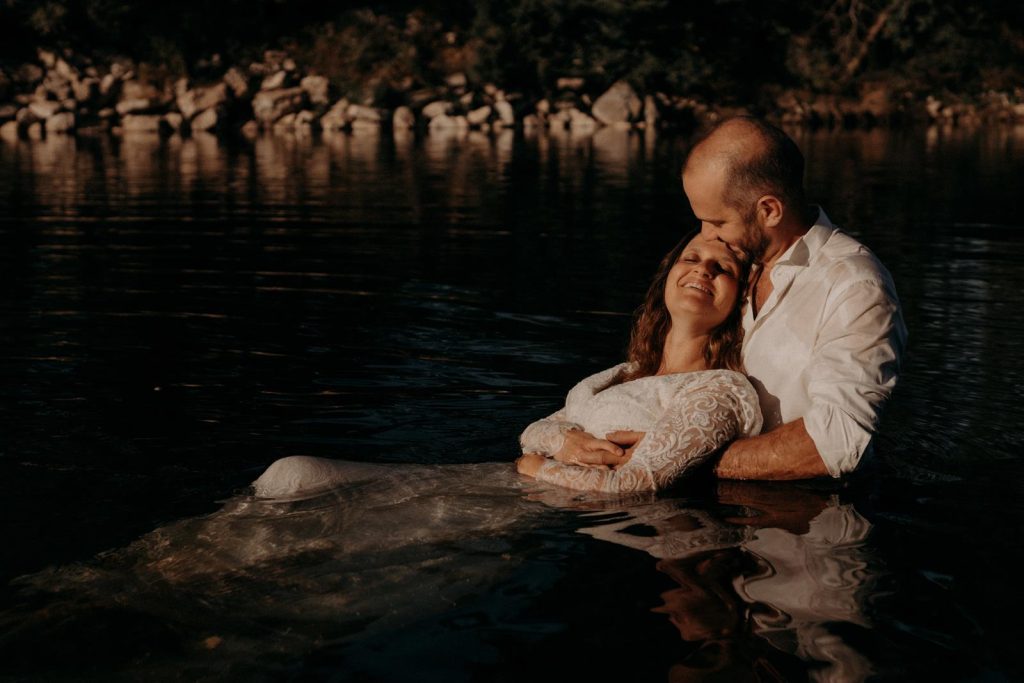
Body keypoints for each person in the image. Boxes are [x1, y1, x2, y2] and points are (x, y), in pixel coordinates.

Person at [570, 117, 907, 480]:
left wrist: (677, 454)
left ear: (769, 211)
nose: (706, 235)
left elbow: (836, 442)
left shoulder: (854, 286)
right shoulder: (739, 265)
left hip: (806, 519)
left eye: (717, 222)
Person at [514, 232, 762, 494]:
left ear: (741, 300)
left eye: (722, 268)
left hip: (556, 510)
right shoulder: (629, 371)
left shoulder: (718, 391)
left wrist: (536, 467)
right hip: (514, 490)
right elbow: (533, 432)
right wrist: (566, 442)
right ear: (667, 277)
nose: (702, 270)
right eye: (691, 259)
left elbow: (636, 484)